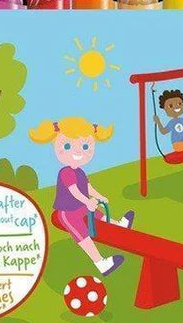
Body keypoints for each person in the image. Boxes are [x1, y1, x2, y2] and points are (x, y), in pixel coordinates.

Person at [29, 116, 134, 276]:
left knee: (98, 214)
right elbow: (74, 191)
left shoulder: (80, 172)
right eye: (67, 146)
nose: (78, 151)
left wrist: (99, 196)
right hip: (67, 213)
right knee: (83, 237)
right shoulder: (66, 172)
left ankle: (117, 224)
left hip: (81, 207)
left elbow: (87, 187)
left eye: (85, 146)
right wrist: (87, 201)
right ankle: (101, 263)